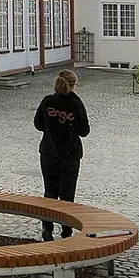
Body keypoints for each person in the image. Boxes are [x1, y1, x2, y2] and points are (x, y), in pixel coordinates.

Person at [33, 68, 90, 239]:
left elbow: (38, 124)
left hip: (48, 152)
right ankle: (66, 229)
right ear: (74, 85)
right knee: (67, 194)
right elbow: (84, 131)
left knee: (50, 191)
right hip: (70, 155)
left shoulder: (48, 101)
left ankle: (47, 226)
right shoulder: (76, 104)